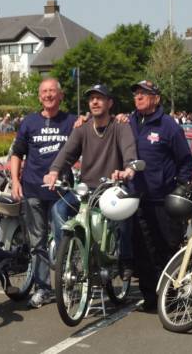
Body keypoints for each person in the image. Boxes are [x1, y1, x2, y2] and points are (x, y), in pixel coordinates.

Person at [44, 84, 138, 280]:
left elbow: (129, 151)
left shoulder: (120, 126)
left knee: (123, 220)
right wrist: (54, 171)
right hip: (86, 189)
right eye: (91, 98)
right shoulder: (82, 128)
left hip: (112, 187)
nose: (94, 102)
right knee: (58, 209)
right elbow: (67, 153)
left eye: (100, 98)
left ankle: (126, 259)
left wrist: (128, 169)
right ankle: (69, 257)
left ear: (109, 103)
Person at [10, 78, 78, 309]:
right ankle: (43, 288)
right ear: (39, 97)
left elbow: (94, 135)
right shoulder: (29, 122)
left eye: (53, 91)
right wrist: (15, 181)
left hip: (61, 192)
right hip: (32, 190)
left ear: (61, 95)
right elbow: (17, 154)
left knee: (63, 239)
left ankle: (66, 284)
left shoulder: (71, 122)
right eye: (44, 92)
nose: (48, 95)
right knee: (37, 242)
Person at [128, 80, 192, 312]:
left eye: (144, 93)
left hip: (163, 200)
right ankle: (149, 299)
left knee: (166, 249)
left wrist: (182, 186)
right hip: (136, 198)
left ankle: (171, 298)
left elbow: (185, 160)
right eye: (136, 93)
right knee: (143, 250)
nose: (139, 97)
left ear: (156, 98)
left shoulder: (169, 126)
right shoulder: (129, 122)